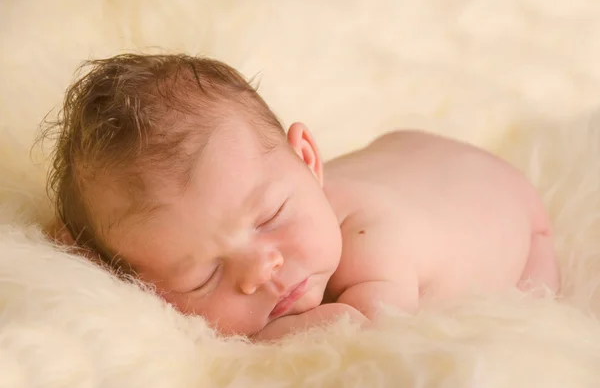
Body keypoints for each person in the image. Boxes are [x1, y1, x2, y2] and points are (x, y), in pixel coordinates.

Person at [44, 53, 560, 341]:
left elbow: (366, 332)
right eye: (203, 275)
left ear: (308, 158)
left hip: (513, 208)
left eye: (270, 218)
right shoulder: (272, 190)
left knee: (537, 316)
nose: (262, 269)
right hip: (410, 156)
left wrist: (259, 344)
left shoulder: (372, 242)